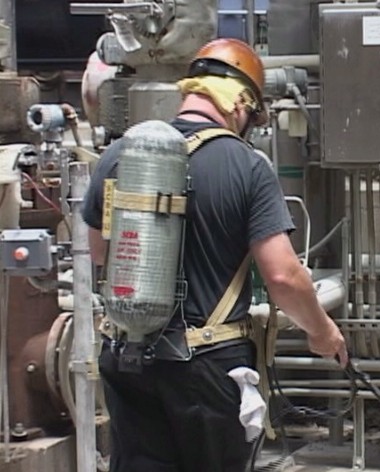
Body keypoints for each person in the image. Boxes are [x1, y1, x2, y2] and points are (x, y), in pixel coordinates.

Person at [82, 38, 348, 472]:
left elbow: (100, 253)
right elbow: (283, 276)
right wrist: (321, 331)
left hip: (126, 355)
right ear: (240, 105)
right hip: (204, 366)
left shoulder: (120, 154)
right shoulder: (247, 164)